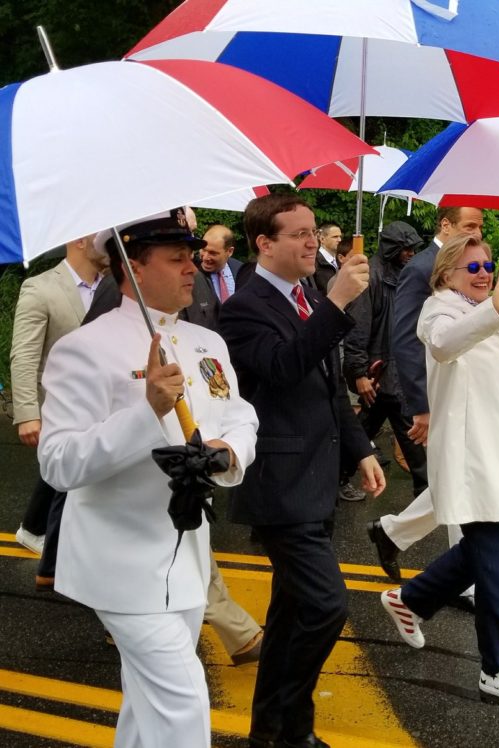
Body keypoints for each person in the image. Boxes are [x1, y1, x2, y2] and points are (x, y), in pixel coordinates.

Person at [38, 209, 258, 748]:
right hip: (120, 560)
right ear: (131, 267)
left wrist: (227, 451)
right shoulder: (83, 350)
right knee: (182, 703)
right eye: (176, 259)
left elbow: (239, 414)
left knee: (147, 703)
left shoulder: (207, 343)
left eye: (191, 258)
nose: (191, 269)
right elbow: (59, 462)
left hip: (186, 553)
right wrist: (147, 411)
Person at [217, 194, 385, 748]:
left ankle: (277, 731)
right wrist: (337, 305)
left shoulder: (308, 294)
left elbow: (327, 386)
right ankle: (289, 724)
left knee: (291, 615)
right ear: (264, 244)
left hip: (316, 479)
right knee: (324, 605)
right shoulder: (243, 306)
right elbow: (283, 368)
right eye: (300, 234)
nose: (314, 241)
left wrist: (359, 448)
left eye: (315, 231)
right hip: (280, 484)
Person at [381, 234, 499, 705]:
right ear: (445, 276)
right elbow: (442, 346)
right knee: (498, 557)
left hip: (498, 449)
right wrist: (495, 309)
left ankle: (410, 599)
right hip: (471, 455)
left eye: (487, 266)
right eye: (472, 268)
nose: (483, 273)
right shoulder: (439, 310)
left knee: (484, 550)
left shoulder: (487, 316)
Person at [366, 207, 499, 587]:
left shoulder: (479, 292)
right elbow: (409, 340)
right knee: (461, 489)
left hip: (483, 410)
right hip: (445, 398)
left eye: (487, 265)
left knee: (454, 484)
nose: (484, 272)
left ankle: (393, 534)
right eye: (470, 225)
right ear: (447, 226)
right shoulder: (423, 270)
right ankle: (467, 577)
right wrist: (421, 405)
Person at [10, 235, 105, 568]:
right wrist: (27, 414)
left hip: (102, 404)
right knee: (67, 475)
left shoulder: (113, 288)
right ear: (80, 240)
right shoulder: (41, 288)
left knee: (81, 476)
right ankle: (49, 551)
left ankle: (42, 532)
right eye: (101, 235)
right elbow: (24, 356)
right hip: (59, 405)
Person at [343, 221, 428, 498]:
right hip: (378, 372)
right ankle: (425, 490)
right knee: (407, 431)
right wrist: (358, 372)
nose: (411, 253)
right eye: (406, 249)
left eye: (413, 248)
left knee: (369, 428)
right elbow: (358, 327)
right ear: (393, 249)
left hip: (393, 371)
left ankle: (334, 477)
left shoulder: (402, 275)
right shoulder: (373, 277)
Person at [200, 224, 243, 303]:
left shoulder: (241, 270)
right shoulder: (192, 273)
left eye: (212, 253)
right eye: (203, 250)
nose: (205, 257)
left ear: (229, 252)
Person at [312, 222, 343, 293]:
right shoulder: (314, 262)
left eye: (340, 236)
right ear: (322, 239)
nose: (339, 240)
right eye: (335, 237)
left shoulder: (341, 260)